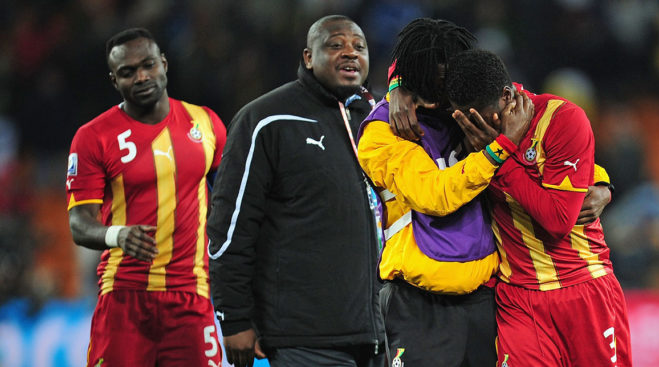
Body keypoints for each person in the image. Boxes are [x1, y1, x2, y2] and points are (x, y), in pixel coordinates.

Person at [357, 18, 613, 366]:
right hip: (419, 305)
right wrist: (499, 149)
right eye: (438, 91)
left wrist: (598, 179)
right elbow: (434, 196)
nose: (447, 102)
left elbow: (545, 138)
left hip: (487, 300)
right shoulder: (385, 129)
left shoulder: (469, 108)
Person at [206, 15, 384, 367]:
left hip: (378, 333)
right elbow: (229, 229)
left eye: (359, 47)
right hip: (303, 337)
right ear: (308, 57)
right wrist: (234, 317)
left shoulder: (378, 120)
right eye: (336, 45)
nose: (350, 53)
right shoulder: (266, 119)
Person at [446, 49, 631, 366]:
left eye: (483, 117)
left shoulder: (562, 118)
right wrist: (396, 91)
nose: (476, 128)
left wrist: (500, 160)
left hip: (582, 287)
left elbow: (559, 221)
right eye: (466, 119)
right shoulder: (465, 125)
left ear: (507, 96)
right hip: (519, 300)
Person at [65, 28, 225, 366]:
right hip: (124, 297)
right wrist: (117, 234)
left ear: (164, 64)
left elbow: (232, 205)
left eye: (148, 65)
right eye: (127, 72)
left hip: (190, 298)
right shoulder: (93, 137)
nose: (141, 76)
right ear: (114, 80)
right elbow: (80, 224)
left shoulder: (206, 124)